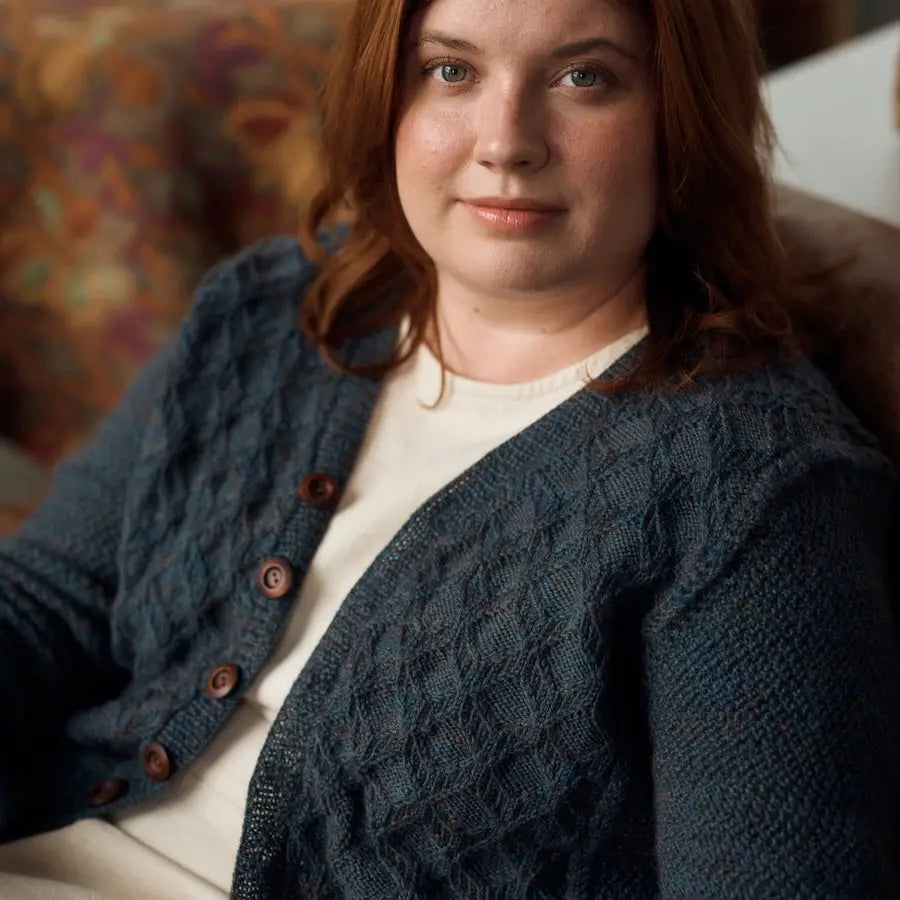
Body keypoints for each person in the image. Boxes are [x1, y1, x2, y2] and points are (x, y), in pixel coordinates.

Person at [0, 0, 897, 896]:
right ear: (385, 99)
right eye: (450, 71)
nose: (506, 142)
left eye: (585, 77)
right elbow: (49, 602)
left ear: (682, 117)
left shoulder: (757, 494)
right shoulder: (277, 311)